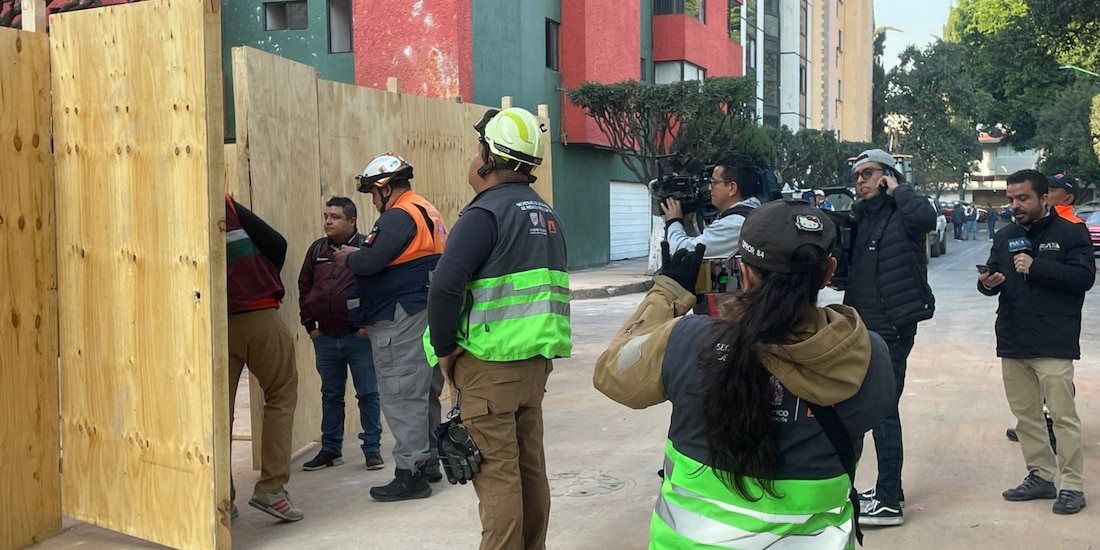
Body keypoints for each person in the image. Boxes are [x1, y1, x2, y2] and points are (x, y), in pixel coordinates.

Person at [594, 199, 894, 548]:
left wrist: (666, 293)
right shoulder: (868, 356)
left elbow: (613, 372)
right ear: (828, 274)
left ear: (745, 271)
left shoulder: (688, 343)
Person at [427, 107, 571, 550]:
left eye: (479, 148)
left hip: (488, 369)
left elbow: (445, 286)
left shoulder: (484, 215)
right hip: (532, 368)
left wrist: (445, 348)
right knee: (529, 473)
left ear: (489, 158)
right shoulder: (546, 215)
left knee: (497, 482)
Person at [978, 169, 1094, 515]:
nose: (1015, 205)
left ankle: (1072, 485)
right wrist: (988, 283)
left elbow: (1084, 277)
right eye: (1011, 198)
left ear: (1044, 198)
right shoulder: (1006, 235)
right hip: (1013, 339)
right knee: (1026, 417)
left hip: (1053, 340)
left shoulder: (1071, 233)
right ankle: (1041, 475)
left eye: (1023, 198)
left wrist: (1037, 266)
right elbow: (994, 278)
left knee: (1062, 417)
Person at [333, 153, 447, 502]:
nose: (372, 200)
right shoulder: (426, 210)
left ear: (384, 187)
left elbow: (369, 261)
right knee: (423, 390)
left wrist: (347, 257)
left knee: (402, 392)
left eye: (372, 192)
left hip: (403, 317)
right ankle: (426, 462)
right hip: (424, 312)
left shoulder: (399, 215)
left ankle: (410, 473)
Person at [842, 149, 937, 526]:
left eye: (869, 173)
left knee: (882, 412)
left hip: (893, 327)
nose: (861, 181)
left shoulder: (904, 211)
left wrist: (900, 189)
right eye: (856, 176)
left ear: (887, 176)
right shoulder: (864, 216)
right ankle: (886, 491)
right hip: (866, 327)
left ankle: (889, 502)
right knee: (873, 410)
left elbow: (925, 218)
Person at [225, 195, 303, 522]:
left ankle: (220, 498)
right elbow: (277, 243)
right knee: (280, 396)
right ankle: (271, 489)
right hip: (258, 313)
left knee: (216, 413)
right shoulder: (222, 201)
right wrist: (261, 279)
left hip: (210, 325)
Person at [297, 196, 384, 472]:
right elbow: (304, 286)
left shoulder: (366, 248)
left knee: (367, 393)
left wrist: (365, 326)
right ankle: (331, 449)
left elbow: (378, 288)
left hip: (356, 338)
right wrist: (310, 327)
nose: (328, 222)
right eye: (326, 216)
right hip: (325, 338)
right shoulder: (317, 251)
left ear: (352, 221)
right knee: (330, 395)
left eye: (335, 217)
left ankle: (372, 448)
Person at [661, 152, 762, 259]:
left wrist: (674, 222)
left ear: (732, 188)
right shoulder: (751, 214)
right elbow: (703, 246)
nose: (709, 188)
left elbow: (682, 252)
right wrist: (687, 225)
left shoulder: (735, 224)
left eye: (714, 182)